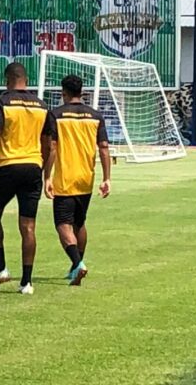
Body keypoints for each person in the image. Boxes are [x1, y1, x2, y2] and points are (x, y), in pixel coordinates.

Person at [0, 62, 52, 295]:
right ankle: (27, 282)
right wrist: (44, 172)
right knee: (28, 226)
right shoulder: (42, 106)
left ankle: (1, 268)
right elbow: (49, 144)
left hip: (9, 165)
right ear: (26, 80)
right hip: (33, 167)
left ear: (6, 80)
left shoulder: (2, 102)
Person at [43, 74, 112, 286]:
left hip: (65, 178)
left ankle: (78, 264)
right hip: (86, 178)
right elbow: (104, 147)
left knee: (63, 224)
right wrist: (107, 178)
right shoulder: (95, 116)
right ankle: (76, 266)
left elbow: (52, 148)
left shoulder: (56, 115)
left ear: (64, 93)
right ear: (82, 92)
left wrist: (47, 176)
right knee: (79, 222)